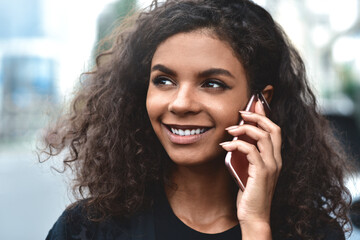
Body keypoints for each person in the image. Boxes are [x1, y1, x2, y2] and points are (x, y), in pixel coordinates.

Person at [42, 0, 354, 239]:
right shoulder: (87, 229)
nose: (180, 103)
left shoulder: (315, 233)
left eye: (212, 83)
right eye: (164, 80)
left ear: (260, 102)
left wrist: (256, 226)